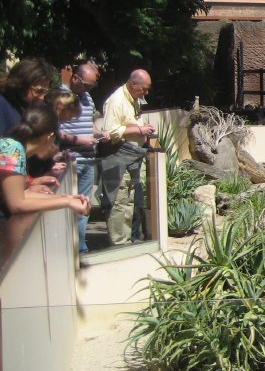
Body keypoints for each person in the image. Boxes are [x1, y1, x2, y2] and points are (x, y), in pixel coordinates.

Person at [0, 103, 91, 218]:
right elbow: (17, 204)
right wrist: (67, 202)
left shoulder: (16, 148)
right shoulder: (13, 150)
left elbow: (24, 195)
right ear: (49, 136)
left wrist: (67, 198)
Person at [54, 62, 108, 253]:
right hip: (70, 160)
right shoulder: (61, 97)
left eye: (92, 86)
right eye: (86, 84)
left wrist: (99, 133)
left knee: (85, 205)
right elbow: (54, 131)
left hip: (89, 160)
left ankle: (81, 246)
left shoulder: (88, 99)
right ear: (75, 78)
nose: (88, 89)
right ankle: (67, 249)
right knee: (68, 205)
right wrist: (79, 140)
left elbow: (89, 124)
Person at [100, 69, 156, 245]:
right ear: (133, 84)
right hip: (118, 156)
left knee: (130, 199)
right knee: (118, 200)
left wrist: (143, 128)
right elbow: (109, 132)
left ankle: (127, 240)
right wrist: (139, 130)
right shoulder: (117, 100)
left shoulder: (134, 99)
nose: (146, 93)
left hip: (133, 156)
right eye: (144, 89)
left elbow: (129, 122)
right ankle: (118, 242)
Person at [0, 57, 56, 135]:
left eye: (45, 91)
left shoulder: (33, 106)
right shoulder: (2, 105)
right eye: (39, 91)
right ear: (22, 85)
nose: (42, 98)